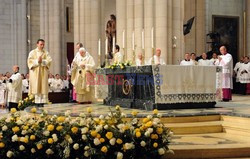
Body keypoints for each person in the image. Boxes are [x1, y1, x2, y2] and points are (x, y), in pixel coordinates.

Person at [27, 39, 52, 107]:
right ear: (37, 44)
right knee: (36, 86)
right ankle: (36, 103)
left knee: (43, 87)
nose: (42, 46)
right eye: (41, 44)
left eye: (43, 44)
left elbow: (49, 61)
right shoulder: (32, 52)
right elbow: (29, 61)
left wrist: (42, 61)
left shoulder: (46, 52)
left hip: (43, 73)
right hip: (35, 74)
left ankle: (42, 103)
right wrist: (37, 61)